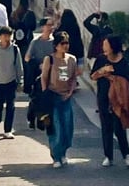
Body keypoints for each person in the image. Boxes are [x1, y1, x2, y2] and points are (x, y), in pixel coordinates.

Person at [90, 34, 129, 167]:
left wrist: (113, 77)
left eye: (106, 45)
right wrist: (103, 71)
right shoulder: (101, 59)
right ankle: (108, 156)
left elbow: (126, 80)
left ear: (113, 46)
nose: (104, 47)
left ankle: (126, 154)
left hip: (118, 99)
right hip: (104, 97)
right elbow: (93, 76)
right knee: (106, 127)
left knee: (120, 127)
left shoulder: (123, 61)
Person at [40, 30, 79, 168]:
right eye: (62, 43)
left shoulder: (72, 59)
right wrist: (45, 94)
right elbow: (44, 78)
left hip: (66, 97)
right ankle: (56, 156)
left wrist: (71, 91)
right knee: (55, 127)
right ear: (56, 45)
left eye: (67, 43)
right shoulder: (49, 59)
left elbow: (74, 77)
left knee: (67, 128)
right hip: (53, 96)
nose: (65, 46)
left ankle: (63, 153)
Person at [0, 25, 23, 139]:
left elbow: (18, 66)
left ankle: (8, 130)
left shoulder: (15, 49)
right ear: (0, 36)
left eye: (9, 36)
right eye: (4, 35)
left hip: (11, 82)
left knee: (10, 106)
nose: (7, 38)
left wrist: (20, 81)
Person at [25, 17, 55, 127]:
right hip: (38, 74)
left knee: (46, 97)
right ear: (43, 27)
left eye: (52, 25)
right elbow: (27, 58)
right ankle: (32, 118)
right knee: (36, 98)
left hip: (51, 74)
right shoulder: (36, 42)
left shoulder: (54, 43)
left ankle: (43, 120)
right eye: (48, 25)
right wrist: (38, 64)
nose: (51, 27)